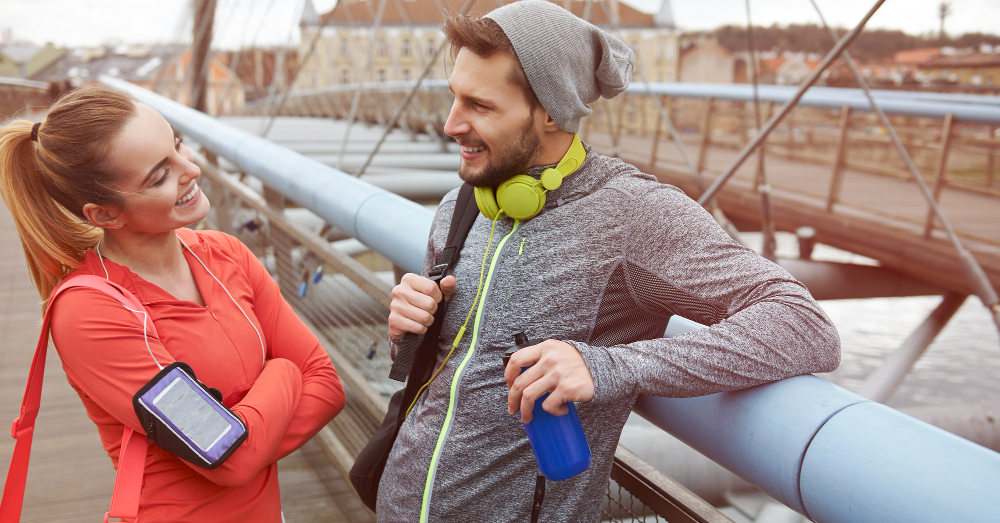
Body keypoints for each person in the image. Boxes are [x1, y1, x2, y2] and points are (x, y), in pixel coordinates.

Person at [383, 1, 840, 521]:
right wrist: (408, 329)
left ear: (551, 110)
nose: (450, 124)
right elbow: (442, 373)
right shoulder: (462, 203)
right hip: (397, 503)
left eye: (479, 106)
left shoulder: (633, 214)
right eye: (454, 98)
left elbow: (805, 327)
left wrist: (611, 366)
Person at [0, 83, 346, 521]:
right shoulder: (91, 313)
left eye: (179, 146)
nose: (192, 170)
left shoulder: (226, 253)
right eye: (160, 175)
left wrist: (245, 438)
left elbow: (327, 386)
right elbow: (230, 456)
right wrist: (283, 370)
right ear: (105, 214)